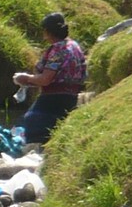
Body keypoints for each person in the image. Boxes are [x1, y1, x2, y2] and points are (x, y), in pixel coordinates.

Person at [12, 12, 87, 144]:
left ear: (48, 32)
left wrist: (26, 78)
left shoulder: (57, 50)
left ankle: (36, 147)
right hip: (71, 97)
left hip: (54, 99)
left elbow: (46, 79)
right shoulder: (74, 46)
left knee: (31, 122)